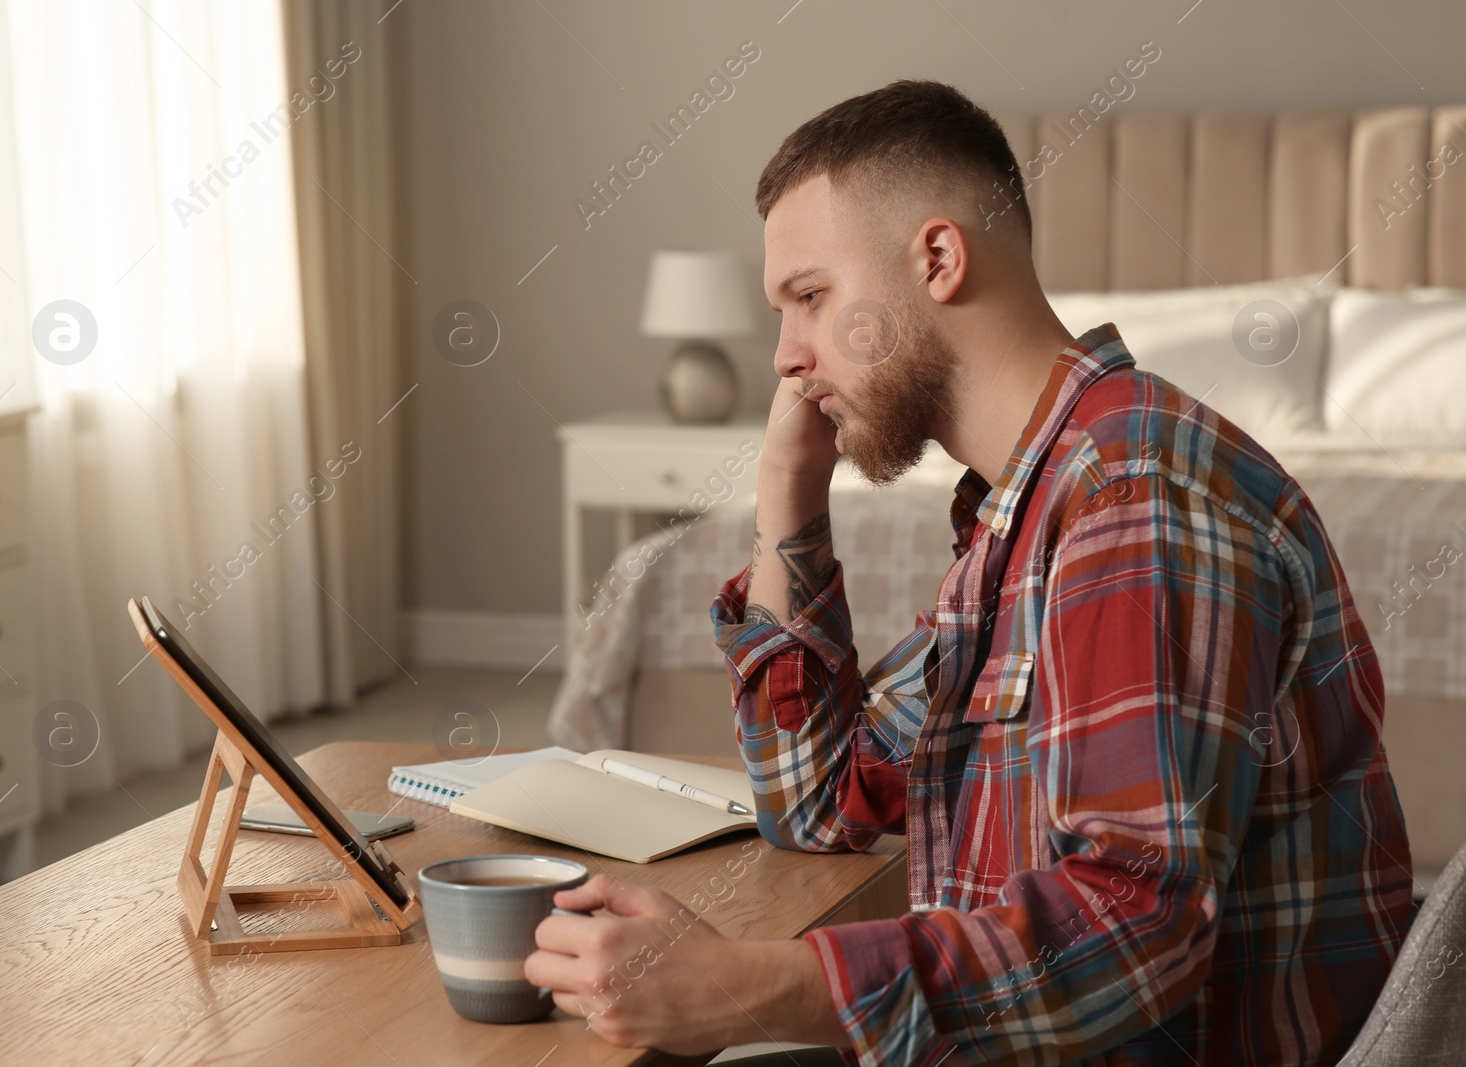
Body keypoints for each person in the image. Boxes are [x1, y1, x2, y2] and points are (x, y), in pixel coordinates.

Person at [525, 80, 1413, 1066]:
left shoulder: (1131, 499)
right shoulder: (1016, 512)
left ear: (938, 258)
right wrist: (787, 483)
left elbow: (1135, 920)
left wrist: (744, 986)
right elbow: (818, 799)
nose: (784, 356)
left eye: (809, 298)